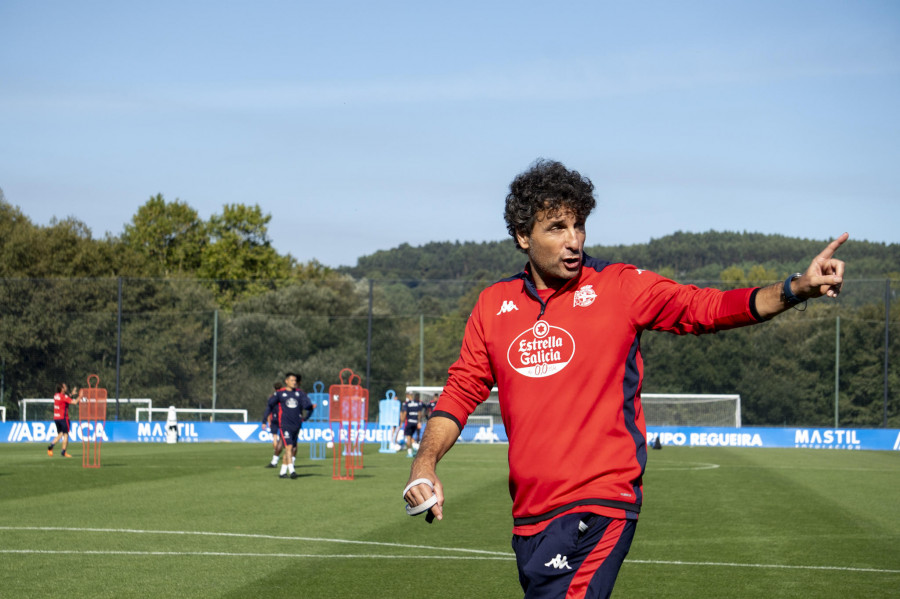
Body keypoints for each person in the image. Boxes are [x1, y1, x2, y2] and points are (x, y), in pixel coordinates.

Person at [403, 159, 848, 599]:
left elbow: (706, 307)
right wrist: (424, 465)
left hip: (602, 500)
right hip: (531, 517)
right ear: (523, 236)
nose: (573, 240)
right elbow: (460, 392)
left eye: (579, 225)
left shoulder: (620, 286)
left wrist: (794, 289)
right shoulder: (492, 304)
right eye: (556, 227)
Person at [265, 372, 315, 479]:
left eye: (295, 381)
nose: (294, 382)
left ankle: (283, 472)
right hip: (285, 424)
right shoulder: (279, 394)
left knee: (291, 447)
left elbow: (307, 405)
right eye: (292, 380)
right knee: (289, 447)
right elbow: (269, 405)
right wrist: (265, 419)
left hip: (296, 424)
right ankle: (292, 470)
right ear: (286, 381)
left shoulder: (300, 393)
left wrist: (310, 407)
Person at [47, 383, 80, 458]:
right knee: (65, 434)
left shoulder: (56, 395)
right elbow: (74, 402)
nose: (66, 387)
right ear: (62, 389)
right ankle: (63, 452)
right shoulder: (63, 396)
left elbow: (65, 398)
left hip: (56, 418)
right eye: (65, 386)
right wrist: (80, 397)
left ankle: (51, 446)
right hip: (63, 418)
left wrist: (71, 394)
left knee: (60, 434)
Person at [262, 381, 284, 468]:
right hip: (283, 419)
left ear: (274, 388)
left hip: (274, 418)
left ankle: (276, 451)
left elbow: (268, 409)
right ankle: (278, 452)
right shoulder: (283, 396)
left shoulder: (272, 397)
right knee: (282, 439)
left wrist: (266, 420)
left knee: (274, 437)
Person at [400, 392, 425, 458]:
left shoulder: (407, 404)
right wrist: (419, 421)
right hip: (416, 422)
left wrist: (401, 422)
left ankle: (410, 452)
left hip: (409, 422)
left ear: (408, 396)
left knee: (408, 438)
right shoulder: (417, 403)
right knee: (412, 437)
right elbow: (419, 413)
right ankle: (416, 447)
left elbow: (405, 413)